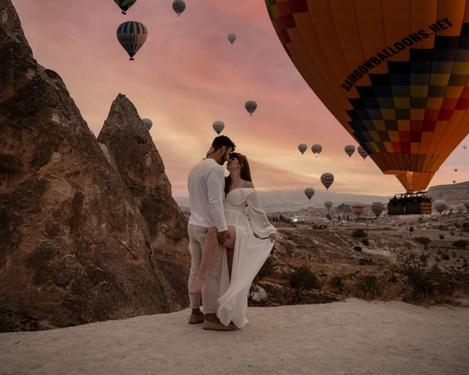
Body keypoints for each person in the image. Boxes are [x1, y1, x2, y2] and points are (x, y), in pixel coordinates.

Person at [190, 152, 276, 329]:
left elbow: (257, 212)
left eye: (233, 159)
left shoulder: (247, 185)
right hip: (224, 222)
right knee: (226, 273)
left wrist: (269, 229)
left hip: (239, 228)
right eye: (228, 159)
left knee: (214, 231)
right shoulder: (223, 181)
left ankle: (201, 276)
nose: (229, 161)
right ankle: (225, 312)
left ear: (241, 165)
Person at [187, 135, 236, 331]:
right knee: (212, 273)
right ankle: (210, 316)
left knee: (195, 268)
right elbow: (216, 203)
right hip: (208, 228)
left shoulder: (196, 168)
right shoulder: (215, 170)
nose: (228, 157)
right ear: (223, 149)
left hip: (192, 224)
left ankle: (194, 311)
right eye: (229, 152)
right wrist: (222, 229)